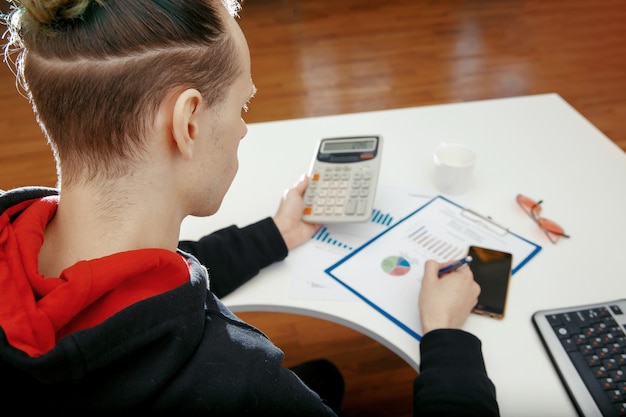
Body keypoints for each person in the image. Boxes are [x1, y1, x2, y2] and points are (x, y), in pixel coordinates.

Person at [0, 0, 499, 415]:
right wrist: (446, 338)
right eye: (242, 105)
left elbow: (126, 281)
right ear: (188, 122)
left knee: (323, 375)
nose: (243, 128)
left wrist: (275, 233)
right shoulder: (242, 384)